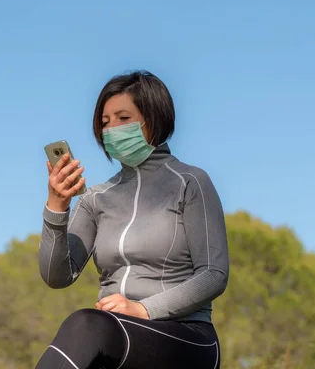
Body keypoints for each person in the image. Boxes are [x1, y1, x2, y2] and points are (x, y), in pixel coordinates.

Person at [36, 70, 229, 369]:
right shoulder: (96, 199)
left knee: (88, 325)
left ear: (153, 119)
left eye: (123, 118)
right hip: (116, 333)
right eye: (105, 123)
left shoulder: (190, 183)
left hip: (187, 338)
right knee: (94, 335)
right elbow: (56, 276)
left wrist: (143, 309)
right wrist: (57, 206)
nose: (111, 129)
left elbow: (214, 275)